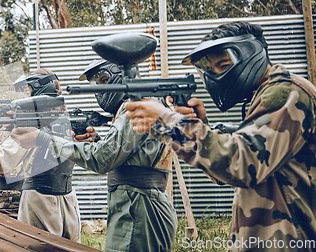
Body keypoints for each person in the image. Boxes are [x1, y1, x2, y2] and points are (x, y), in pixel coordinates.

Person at [125, 21, 316, 251]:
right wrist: (198, 125)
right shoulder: (264, 95)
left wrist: (170, 123)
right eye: (211, 69)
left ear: (250, 54)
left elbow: (244, 163)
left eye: (223, 65)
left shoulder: (285, 93)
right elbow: (228, 171)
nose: (216, 75)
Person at [12, 59, 178, 252]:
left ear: (120, 74)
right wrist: (98, 140)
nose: (100, 90)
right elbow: (127, 156)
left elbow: (102, 159)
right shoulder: (143, 102)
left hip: (139, 207)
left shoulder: (136, 105)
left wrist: (42, 139)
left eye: (103, 80)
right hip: (140, 203)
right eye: (96, 84)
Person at [0, 69, 82, 242]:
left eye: (26, 91)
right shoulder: (61, 118)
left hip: (40, 201)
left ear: (38, 90)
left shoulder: (32, 126)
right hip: (68, 199)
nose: (21, 97)